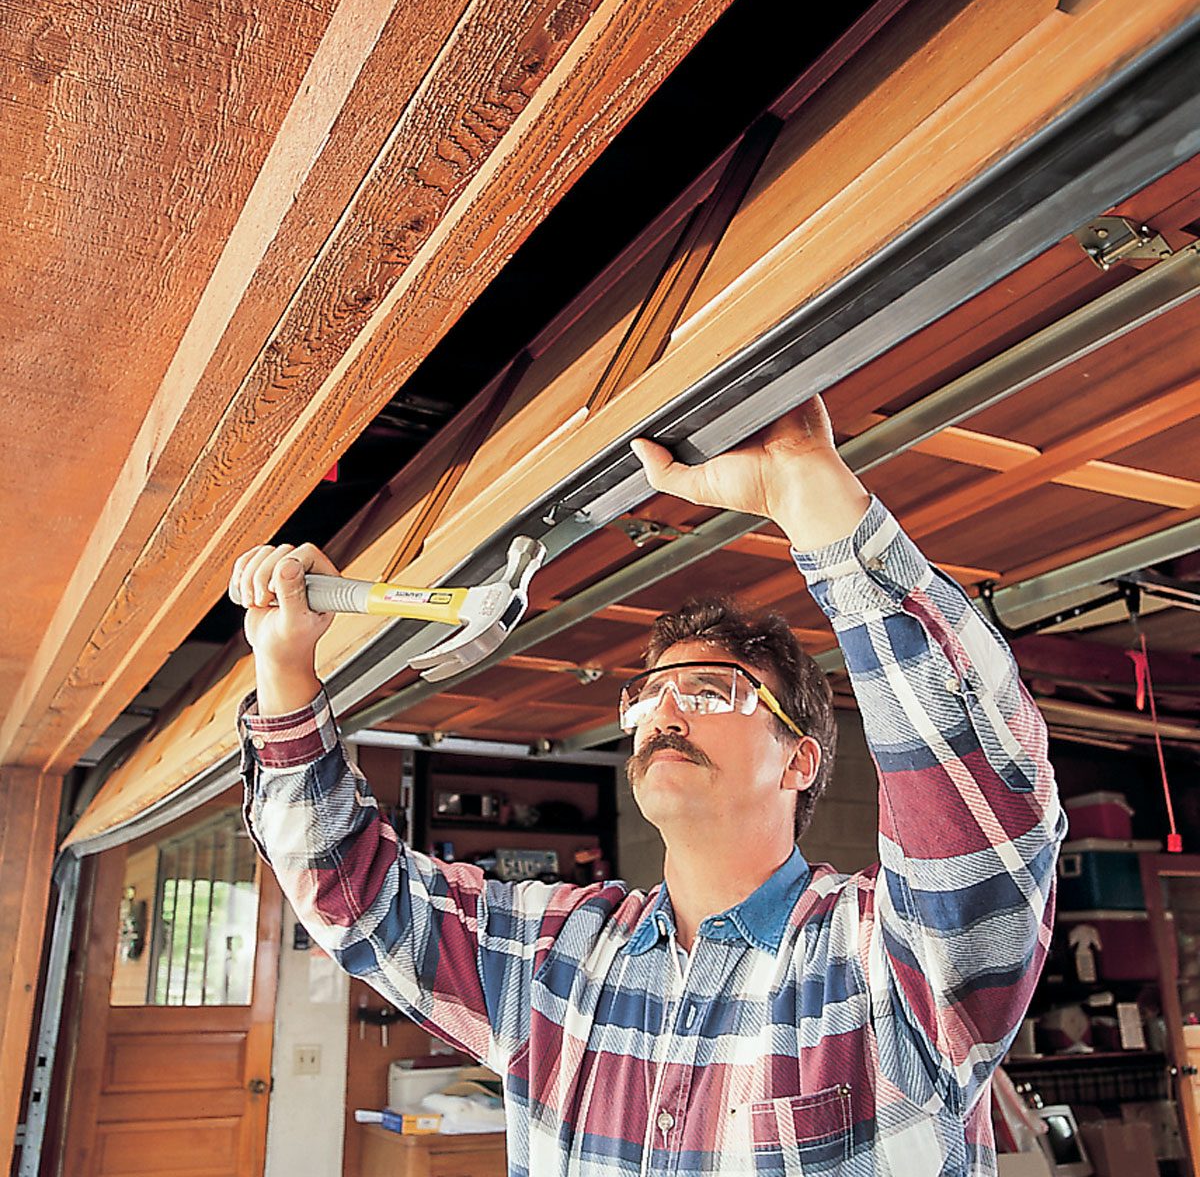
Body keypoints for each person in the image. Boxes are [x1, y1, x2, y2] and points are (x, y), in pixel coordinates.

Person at [231, 397, 1063, 1175]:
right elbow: (355, 895)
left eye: (707, 691)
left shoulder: (885, 962)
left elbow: (984, 785)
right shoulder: (555, 960)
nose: (666, 712)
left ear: (799, 760)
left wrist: (808, 489)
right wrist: (283, 665)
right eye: (650, 696)